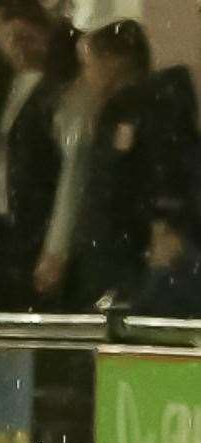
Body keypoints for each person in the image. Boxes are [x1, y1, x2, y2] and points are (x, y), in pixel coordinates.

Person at [69, 19, 200, 306]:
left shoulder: (149, 110)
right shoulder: (121, 110)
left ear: (114, 61)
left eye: (89, 64)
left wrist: (165, 223)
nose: (86, 76)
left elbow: (167, 168)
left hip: (134, 252)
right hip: (121, 248)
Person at [0, 0, 88, 310]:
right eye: (10, 39)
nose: (18, 49)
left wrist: (55, 247)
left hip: (36, 225)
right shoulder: (3, 90)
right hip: (4, 229)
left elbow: (71, 173)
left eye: (26, 39)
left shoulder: (59, 92)